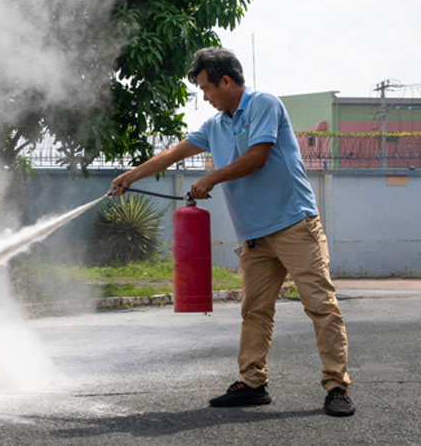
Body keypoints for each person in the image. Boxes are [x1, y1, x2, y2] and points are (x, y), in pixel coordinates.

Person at [109, 47, 355, 417]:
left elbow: (257, 157)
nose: (204, 97)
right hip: (255, 236)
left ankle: (337, 387)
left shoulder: (263, 105)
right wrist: (130, 176)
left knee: (321, 306)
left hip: (294, 224)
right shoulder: (215, 126)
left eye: (206, 88)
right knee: (254, 311)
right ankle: (253, 383)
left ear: (226, 81)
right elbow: (172, 154)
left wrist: (212, 177)